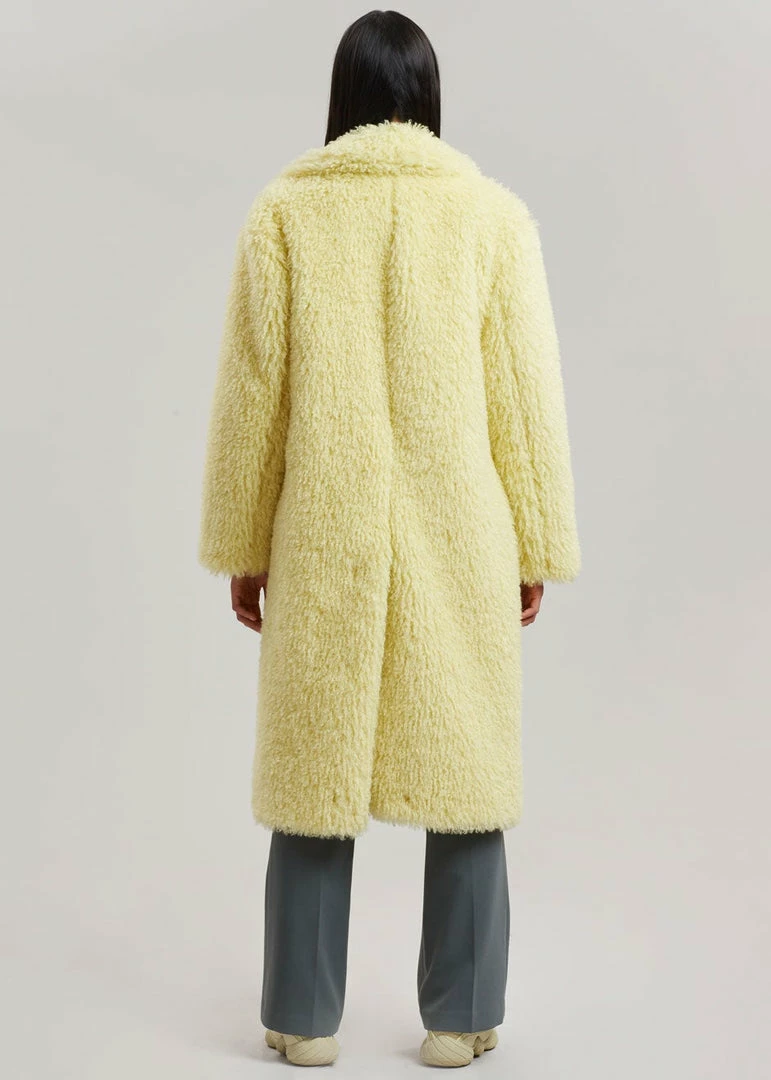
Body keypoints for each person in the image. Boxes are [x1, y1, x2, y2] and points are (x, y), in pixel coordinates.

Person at [197, 8, 581, 1069]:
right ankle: (461, 1018)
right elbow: (525, 398)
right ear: (429, 98)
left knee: (313, 768)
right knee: (467, 766)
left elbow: (253, 401)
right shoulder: (492, 217)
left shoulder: (285, 213)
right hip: (462, 528)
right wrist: (536, 542)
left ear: (342, 98)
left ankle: (301, 1019)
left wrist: (244, 542)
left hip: (325, 525)